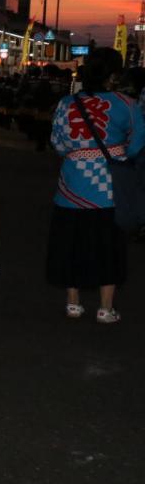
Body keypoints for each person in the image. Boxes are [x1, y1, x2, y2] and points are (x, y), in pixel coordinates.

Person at [46, 48, 144, 324]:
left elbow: (58, 142)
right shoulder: (126, 103)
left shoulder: (68, 102)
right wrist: (120, 153)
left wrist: (79, 153)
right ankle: (105, 308)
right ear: (114, 75)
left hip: (72, 184)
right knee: (109, 244)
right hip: (109, 185)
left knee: (71, 241)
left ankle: (73, 303)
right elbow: (138, 140)